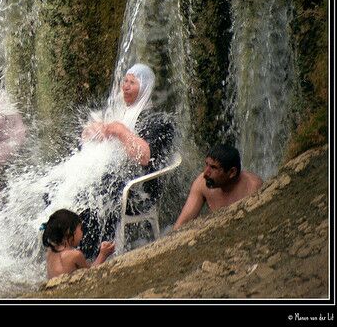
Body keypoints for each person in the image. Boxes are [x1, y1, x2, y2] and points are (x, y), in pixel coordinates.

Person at [76, 63, 176, 258]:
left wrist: (120, 131)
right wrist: (93, 131)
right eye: (126, 81)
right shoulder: (120, 110)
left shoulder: (157, 120)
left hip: (138, 190)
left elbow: (144, 157)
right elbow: (92, 137)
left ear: (145, 88)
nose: (126, 87)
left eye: (133, 83)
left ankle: (91, 253)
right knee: (70, 183)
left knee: (99, 190)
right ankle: (66, 246)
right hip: (114, 176)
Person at [173, 144, 263, 230]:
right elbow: (181, 225)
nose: (205, 173)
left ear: (232, 172)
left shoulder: (252, 187)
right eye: (206, 164)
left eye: (213, 167)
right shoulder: (201, 183)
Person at [42, 209, 115, 279]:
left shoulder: (50, 251)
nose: (82, 233)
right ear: (69, 231)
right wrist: (103, 254)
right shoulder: (75, 255)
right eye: (80, 229)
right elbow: (91, 273)